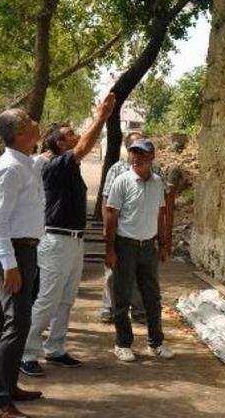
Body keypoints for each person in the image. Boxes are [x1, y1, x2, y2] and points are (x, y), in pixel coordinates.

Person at [20, 93, 116, 377]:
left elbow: (82, 147)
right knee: (48, 299)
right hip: (55, 239)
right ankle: (26, 352)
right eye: (70, 134)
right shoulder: (55, 165)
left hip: (74, 240)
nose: (76, 136)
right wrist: (101, 118)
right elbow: (84, 146)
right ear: (59, 144)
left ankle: (55, 347)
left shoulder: (68, 168)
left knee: (66, 299)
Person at [0, 108, 45, 418]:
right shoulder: (10, 168)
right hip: (12, 250)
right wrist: (9, 263)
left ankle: (3, 384)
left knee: (5, 319)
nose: (35, 122)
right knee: (17, 322)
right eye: (28, 120)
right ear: (19, 133)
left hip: (22, 249)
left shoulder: (25, 163)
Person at [104, 139, 173, 362]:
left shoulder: (157, 183)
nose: (136, 158)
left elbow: (160, 214)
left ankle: (156, 342)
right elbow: (111, 216)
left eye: (141, 154)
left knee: (152, 297)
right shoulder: (122, 181)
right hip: (126, 245)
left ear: (151, 157)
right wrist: (110, 249)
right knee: (122, 297)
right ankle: (122, 343)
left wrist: (163, 244)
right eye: (133, 153)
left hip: (148, 247)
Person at [98, 130, 155, 324]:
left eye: (141, 147)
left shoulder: (154, 170)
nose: (137, 153)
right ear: (127, 149)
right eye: (133, 148)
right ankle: (109, 308)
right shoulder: (117, 169)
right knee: (113, 270)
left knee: (139, 273)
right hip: (120, 229)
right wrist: (106, 227)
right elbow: (106, 199)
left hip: (142, 231)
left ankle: (138, 309)